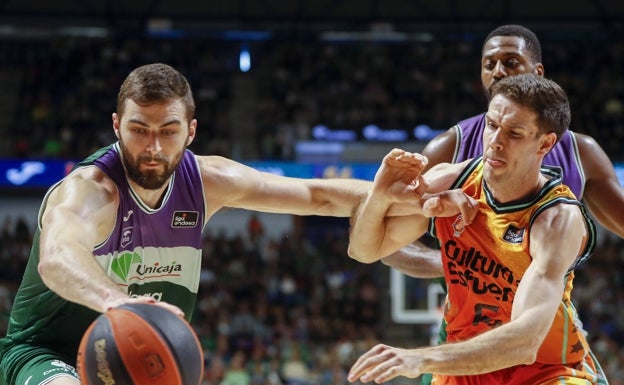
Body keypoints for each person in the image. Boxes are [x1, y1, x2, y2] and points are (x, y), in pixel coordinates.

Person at [0, 63, 472, 385]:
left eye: (168, 131)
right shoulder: (90, 189)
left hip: (139, 358)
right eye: (138, 129)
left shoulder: (208, 180)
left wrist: (418, 201)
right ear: (116, 126)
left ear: (191, 130)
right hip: (47, 354)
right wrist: (118, 303)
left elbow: (319, 195)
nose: (153, 147)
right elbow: (58, 258)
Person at [381, 24, 619, 384]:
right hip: (465, 329)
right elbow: (384, 240)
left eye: (510, 61)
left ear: (537, 73)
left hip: (542, 328)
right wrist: (456, 264)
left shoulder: (579, 152)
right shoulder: (450, 148)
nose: (498, 71)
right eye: (488, 63)